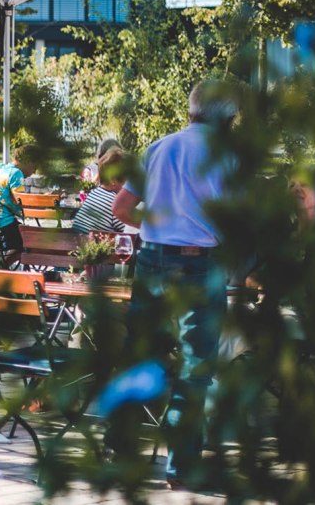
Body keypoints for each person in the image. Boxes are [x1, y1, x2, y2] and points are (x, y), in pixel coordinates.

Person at [111, 80, 237, 490]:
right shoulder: (227, 155)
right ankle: (180, 467)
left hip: (152, 262)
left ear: (190, 111)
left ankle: (121, 447)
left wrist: (154, 225)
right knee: (194, 368)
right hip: (198, 266)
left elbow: (121, 207)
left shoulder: (157, 148)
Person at [0, 143, 39, 267]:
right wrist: (44, 199)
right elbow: (21, 202)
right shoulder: (16, 173)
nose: (34, 171)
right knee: (28, 240)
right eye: (35, 166)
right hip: (3, 224)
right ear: (28, 161)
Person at [73, 148, 129, 234]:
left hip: (76, 243)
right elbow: (128, 231)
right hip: (94, 245)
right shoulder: (116, 201)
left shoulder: (94, 193)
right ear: (113, 180)